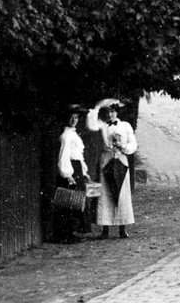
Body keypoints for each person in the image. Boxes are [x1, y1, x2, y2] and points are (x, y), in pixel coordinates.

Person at [85, 99, 138, 239]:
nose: (110, 114)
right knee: (105, 193)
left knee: (121, 193)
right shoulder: (103, 125)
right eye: (108, 111)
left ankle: (123, 228)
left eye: (113, 111)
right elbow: (91, 125)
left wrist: (124, 147)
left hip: (121, 158)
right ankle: (105, 229)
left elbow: (133, 143)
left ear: (117, 112)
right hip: (106, 159)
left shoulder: (125, 126)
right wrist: (97, 107)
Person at [50, 104, 89, 244]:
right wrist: (67, 175)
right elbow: (64, 156)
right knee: (68, 202)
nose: (74, 120)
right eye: (71, 117)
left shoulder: (73, 134)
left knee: (76, 202)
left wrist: (84, 171)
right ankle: (64, 234)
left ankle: (71, 232)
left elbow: (78, 155)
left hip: (76, 168)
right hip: (70, 170)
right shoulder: (66, 136)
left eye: (76, 117)